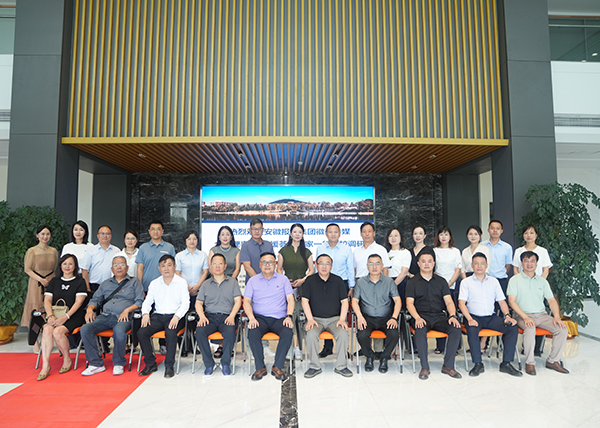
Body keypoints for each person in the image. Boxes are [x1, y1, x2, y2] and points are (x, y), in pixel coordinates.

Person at [458, 252, 522, 377]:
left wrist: (507, 315)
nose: (479, 266)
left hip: (490, 317)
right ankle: (478, 364)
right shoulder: (466, 282)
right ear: (472, 265)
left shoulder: (494, 281)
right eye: (476, 263)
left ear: (487, 265)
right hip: (473, 317)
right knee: (472, 329)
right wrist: (469, 319)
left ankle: (506, 364)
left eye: (482, 263)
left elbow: (502, 301)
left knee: (512, 328)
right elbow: (461, 303)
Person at [80, 255, 144, 376]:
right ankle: (96, 364)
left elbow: (140, 301)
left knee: (119, 331)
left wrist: (127, 310)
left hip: (124, 317)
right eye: (115, 265)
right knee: (85, 329)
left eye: (122, 264)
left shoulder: (135, 282)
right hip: (105, 316)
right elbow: (95, 299)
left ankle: (118, 363)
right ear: (111, 269)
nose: (119, 267)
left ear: (127, 267)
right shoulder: (105, 284)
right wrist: (89, 309)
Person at [507, 251, 569, 375]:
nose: (529, 264)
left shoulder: (542, 281)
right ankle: (530, 362)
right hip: (521, 315)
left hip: (541, 315)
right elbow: (511, 302)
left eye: (532, 261)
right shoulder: (515, 280)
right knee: (530, 328)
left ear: (536, 264)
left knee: (562, 329)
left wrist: (557, 317)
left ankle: (553, 360)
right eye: (526, 261)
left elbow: (551, 300)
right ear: (522, 263)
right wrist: (525, 317)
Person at [406, 250, 462, 380]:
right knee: (420, 329)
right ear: (418, 264)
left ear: (434, 263)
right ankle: (424, 367)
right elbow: (409, 303)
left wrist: (452, 315)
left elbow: (449, 302)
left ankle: (448, 366)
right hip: (420, 316)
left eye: (429, 261)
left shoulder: (441, 281)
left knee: (455, 328)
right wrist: (417, 318)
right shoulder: (412, 282)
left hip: (439, 316)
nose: (426, 264)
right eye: (423, 261)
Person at [243, 252, 295, 381]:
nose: (267, 265)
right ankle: (260, 367)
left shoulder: (283, 279)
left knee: (287, 332)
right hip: (259, 318)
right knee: (253, 332)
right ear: (260, 265)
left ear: (275, 264)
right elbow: (246, 301)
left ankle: (277, 366)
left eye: (270, 262)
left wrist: (289, 316)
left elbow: (290, 299)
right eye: (264, 262)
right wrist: (251, 318)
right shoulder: (253, 281)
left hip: (280, 318)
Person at [36, 254, 87, 381]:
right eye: (64, 263)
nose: (67, 266)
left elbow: (79, 302)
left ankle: (67, 358)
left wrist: (66, 317)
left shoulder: (80, 281)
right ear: (60, 265)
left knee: (58, 331)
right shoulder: (54, 281)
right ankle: (45, 365)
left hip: (74, 315)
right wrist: (50, 316)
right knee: (47, 329)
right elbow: (47, 300)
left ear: (75, 266)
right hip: (55, 314)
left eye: (70, 263)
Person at [138, 255, 189, 378]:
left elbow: (186, 303)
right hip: (158, 316)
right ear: (159, 268)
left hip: (175, 316)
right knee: (141, 332)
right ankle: (150, 364)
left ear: (175, 266)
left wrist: (177, 316)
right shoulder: (155, 283)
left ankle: (169, 366)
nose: (166, 268)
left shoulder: (181, 282)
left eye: (169, 265)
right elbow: (147, 301)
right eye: (163, 266)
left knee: (170, 333)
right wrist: (145, 314)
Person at [302, 254, 352, 378]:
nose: (324, 266)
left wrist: (342, 319)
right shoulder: (310, 281)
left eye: (327, 263)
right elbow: (304, 301)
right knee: (311, 334)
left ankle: (341, 366)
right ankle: (314, 366)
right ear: (316, 265)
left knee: (343, 333)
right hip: (315, 319)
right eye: (321, 263)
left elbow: (344, 301)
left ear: (331, 266)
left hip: (335, 319)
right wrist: (310, 319)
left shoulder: (338, 280)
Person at [194, 253, 242, 377]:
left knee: (230, 333)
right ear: (210, 266)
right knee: (199, 332)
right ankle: (209, 364)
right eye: (214, 263)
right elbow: (198, 303)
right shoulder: (205, 284)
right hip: (209, 317)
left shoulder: (233, 282)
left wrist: (232, 316)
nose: (217, 266)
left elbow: (238, 301)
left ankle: (225, 363)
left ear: (225, 266)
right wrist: (202, 316)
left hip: (227, 317)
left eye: (220, 263)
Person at [352, 254, 401, 373]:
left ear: (382, 265)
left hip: (386, 318)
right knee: (362, 335)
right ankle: (369, 356)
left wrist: (394, 318)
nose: (374, 267)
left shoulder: (389, 282)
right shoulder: (361, 282)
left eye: (377, 263)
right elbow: (354, 301)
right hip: (367, 318)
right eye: (371, 264)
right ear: (367, 266)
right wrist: (359, 317)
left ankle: (384, 357)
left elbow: (397, 300)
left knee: (394, 334)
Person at [512, 224, 553, 356]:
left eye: (531, 233)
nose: (529, 235)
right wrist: (521, 282)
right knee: (526, 314)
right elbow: (516, 269)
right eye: (526, 233)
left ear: (536, 235)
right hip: (522, 286)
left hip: (538, 287)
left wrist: (538, 283)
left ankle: (536, 349)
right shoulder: (518, 251)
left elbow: (546, 269)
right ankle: (527, 347)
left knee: (539, 313)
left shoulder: (542, 251)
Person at [315, 222, 355, 357]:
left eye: (335, 232)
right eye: (330, 232)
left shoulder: (346, 249)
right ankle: (327, 347)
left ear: (340, 234)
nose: (333, 234)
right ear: (326, 234)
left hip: (341, 283)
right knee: (327, 314)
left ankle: (344, 348)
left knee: (341, 314)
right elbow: (317, 268)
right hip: (324, 283)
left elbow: (350, 268)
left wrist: (351, 286)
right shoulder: (320, 248)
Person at [277, 223, 314, 359]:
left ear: (303, 235)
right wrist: (285, 280)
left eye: (300, 232)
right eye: (295, 232)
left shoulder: (307, 251)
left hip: (303, 287)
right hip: (286, 287)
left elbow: (312, 270)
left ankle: (298, 347)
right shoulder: (283, 251)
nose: (297, 234)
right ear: (290, 234)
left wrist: (303, 280)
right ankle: (289, 347)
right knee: (288, 315)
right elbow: (278, 269)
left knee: (300, 317)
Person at [22, 225, 59, 341]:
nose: (45, 236)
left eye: (47, 234)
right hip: (36, 283)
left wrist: (50, 281)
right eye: (42, 234)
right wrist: (41, 280)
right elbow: (27, 269)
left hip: (51, 282)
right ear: (37, 235)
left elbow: (55, 268)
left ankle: (46, 338)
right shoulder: (31, 251)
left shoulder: (53, 251)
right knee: (35, 308)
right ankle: (34, 341)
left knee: (49, 307)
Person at [432, 226, 462, 354]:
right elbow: (432, 269)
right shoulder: (434, 251)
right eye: (441, 234)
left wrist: (449, 283)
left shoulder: (455, 251)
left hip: (451, 286)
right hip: (437, 287)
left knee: (452, 315)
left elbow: (458, 269)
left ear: (450, 237)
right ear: (438, 237)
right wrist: (441, 285)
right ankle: (440, 346)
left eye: (446, 234)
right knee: (439, 316)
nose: (443, 237)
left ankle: (454, 347)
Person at [137, 220, 176, 292]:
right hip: (146, 287)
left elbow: (173, 268)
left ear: (162, 231)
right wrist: (139, 288)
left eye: (158, 229)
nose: (155, 231)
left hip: (166, 287)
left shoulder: (169, 247)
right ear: (149, 231)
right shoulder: (143, 248)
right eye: (153, 229)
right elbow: (140, 269)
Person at [80, 225, 121, 292]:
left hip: (112, 286)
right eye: (102, 233)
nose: (105, 236)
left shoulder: (117, 251)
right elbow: (84, 270)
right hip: (94, 286)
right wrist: (87, 288)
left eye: (107, 234)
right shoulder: (91, 250)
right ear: (98, 236)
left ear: (111, 236)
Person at [175, 230, 209, 310]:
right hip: (183, 290)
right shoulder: (179, 256)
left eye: (194, 239)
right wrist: (187, 287)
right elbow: (177, 273)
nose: (192, 241)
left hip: (200, 290)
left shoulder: (203, 255)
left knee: (199, 312)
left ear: (197, 240)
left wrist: (197, 287)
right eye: (189, 239)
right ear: (185, 240)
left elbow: (205, 272)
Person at [482, 220, 513, 296]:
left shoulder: (507, 247)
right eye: (492, 228)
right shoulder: (482, 246)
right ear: (488, 230)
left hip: (501, 280)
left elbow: (508, 266)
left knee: (501, 302)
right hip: (485, 279)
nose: (495, 230)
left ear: (501, 231)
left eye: (498, 228)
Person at [240, 218, 274, 283]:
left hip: (269, 283)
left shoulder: (268, 245)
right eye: (254, 229)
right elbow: (247, 267)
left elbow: (272, 264)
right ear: (250, 230)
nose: (257, 231)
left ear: (263, 230)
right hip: (252, 283)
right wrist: (259, 282)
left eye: (259, 229)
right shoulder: (245, 246)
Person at [385, 227, 411, 304]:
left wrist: (393, 285)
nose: (393, 238)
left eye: (396, 235)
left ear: (400, 238)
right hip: (387, 283)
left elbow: (404, 272)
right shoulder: (385, 253)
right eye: (391, 236)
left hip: (401, 283)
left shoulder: (405, 252)